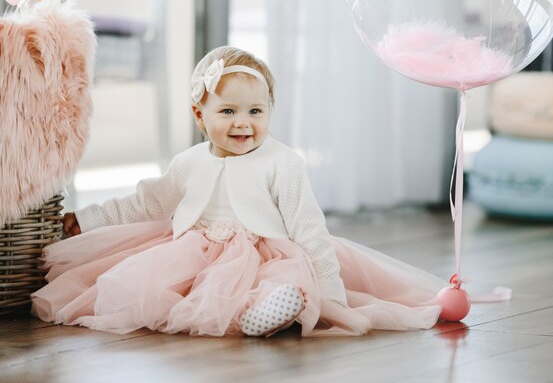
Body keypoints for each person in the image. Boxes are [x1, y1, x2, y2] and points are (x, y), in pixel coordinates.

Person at [31, 46, 446, 337]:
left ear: (270, 111)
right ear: (200, 114)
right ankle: (258, 313)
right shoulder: (189, 162)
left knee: (271, 280)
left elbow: (309, 229)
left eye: (255, 112)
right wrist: (87, 219)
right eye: (227, 111)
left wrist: (331, 300)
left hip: (266, 252)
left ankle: (272, 311)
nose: (242, 123)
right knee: (168, 288)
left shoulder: (283, 162)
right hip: (193, 252)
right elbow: (147, 201)